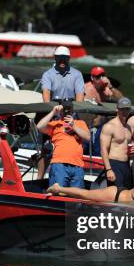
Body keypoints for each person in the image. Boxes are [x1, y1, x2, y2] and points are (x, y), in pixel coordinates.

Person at [37, 46, 85, 179]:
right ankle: (40, 178)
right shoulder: (48, 75)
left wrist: (71, 116)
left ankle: (72, 171)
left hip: (71, 113)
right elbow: (46, 97)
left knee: (73, 143)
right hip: (53, 111)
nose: (62, 61)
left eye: (64, 58)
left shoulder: (77, 74)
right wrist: (54, 112)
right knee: (46, 147)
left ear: (69, 58)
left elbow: (80, 98)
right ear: (55, 58)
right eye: (59, 58)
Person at [37, 101, 90, 188]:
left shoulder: (80, 123)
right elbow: (39, 127)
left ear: (72, 111)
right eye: (64, 109)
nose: (66, 111)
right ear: (60, 110)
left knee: (76, 196)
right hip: (59, 164)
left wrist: (73, 126)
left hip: (77, 165)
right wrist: (53, 112)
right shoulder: (55, 123)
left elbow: (88, 138)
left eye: (68, 109)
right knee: (58, 192)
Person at [47, 165, 134, 204]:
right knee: (85, 194)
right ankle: (58, 188)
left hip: (123, 201)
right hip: (115, 195)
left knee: (86, 197)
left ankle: (63, 192)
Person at [99, 97, 133, 189]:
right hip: (114, 164)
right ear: (117, 109)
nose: (124, 112)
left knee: (127, 194)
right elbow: (103, 150)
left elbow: (128, 147)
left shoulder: (129, 127)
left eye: (127, 109)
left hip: (126, 165)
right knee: (116, 195)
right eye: (122, 109)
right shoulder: (109, 126)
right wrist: (109, 169)